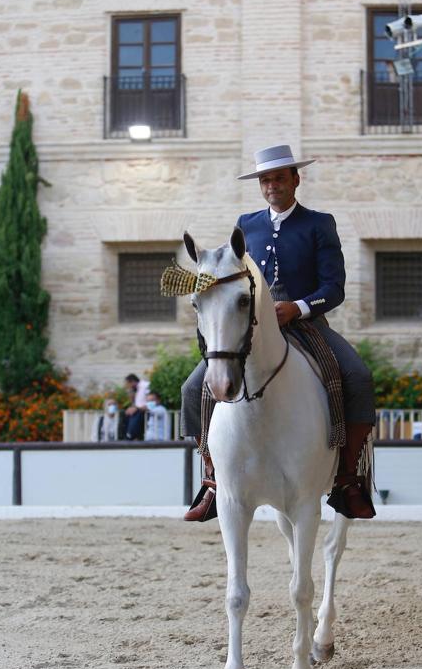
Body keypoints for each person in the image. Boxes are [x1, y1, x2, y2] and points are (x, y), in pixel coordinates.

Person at [181, 143, 376, 522]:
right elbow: (229, 276)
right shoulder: (246, 224)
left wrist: (298, 307)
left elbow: (334, 288)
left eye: (279, 178)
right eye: (266, 179)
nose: (272, 185)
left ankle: (348, 479)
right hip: (253, 326)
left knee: (357, 375)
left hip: (305, 323)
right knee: (193, 387)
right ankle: (211, 478)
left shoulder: (320, 224)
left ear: (295, 180)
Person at [124, 373, 149, 440]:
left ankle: (131, 436)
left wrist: (137, 408)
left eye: (128, 384)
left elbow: (149, 401)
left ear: (133, 381)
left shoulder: (145, 385)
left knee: (136, 415)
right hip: (138, 411)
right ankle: (127, 435)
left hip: (144, 411)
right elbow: (136, 403)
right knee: (126, 414)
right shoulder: (136, 389)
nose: (128, 386)